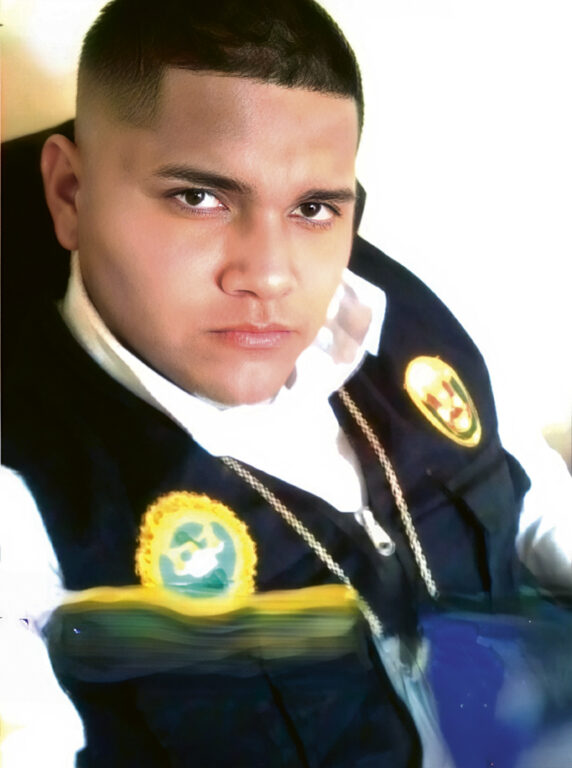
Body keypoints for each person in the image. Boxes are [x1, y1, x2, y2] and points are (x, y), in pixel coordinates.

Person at [1, 0, 571, 766]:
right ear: (71, 194)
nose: (269, 276)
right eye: (199, 198)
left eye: (312, 208)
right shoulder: (25, 487)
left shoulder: (395, 307)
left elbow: (531, 497)